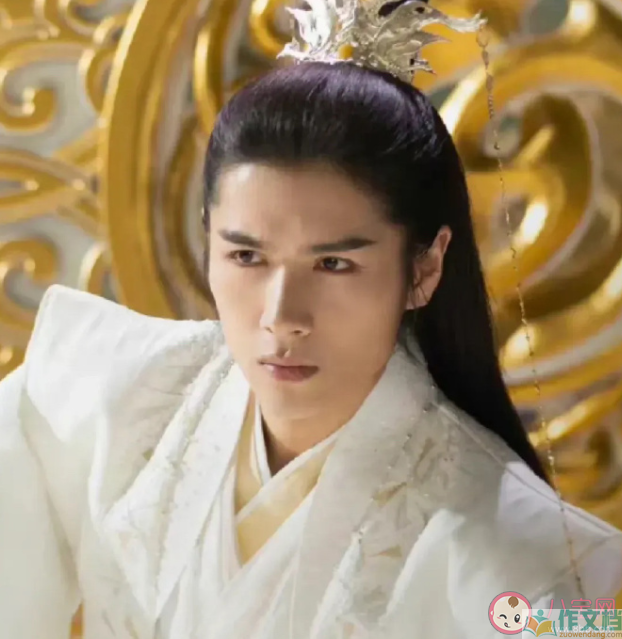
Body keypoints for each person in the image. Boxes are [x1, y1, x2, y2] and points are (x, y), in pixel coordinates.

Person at [1, 2, 621, 638]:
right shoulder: (109, 391)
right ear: (208, 239)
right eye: (246, 257)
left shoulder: (511, 548)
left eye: (333, 264)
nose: (282, 317)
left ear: (425, 266)